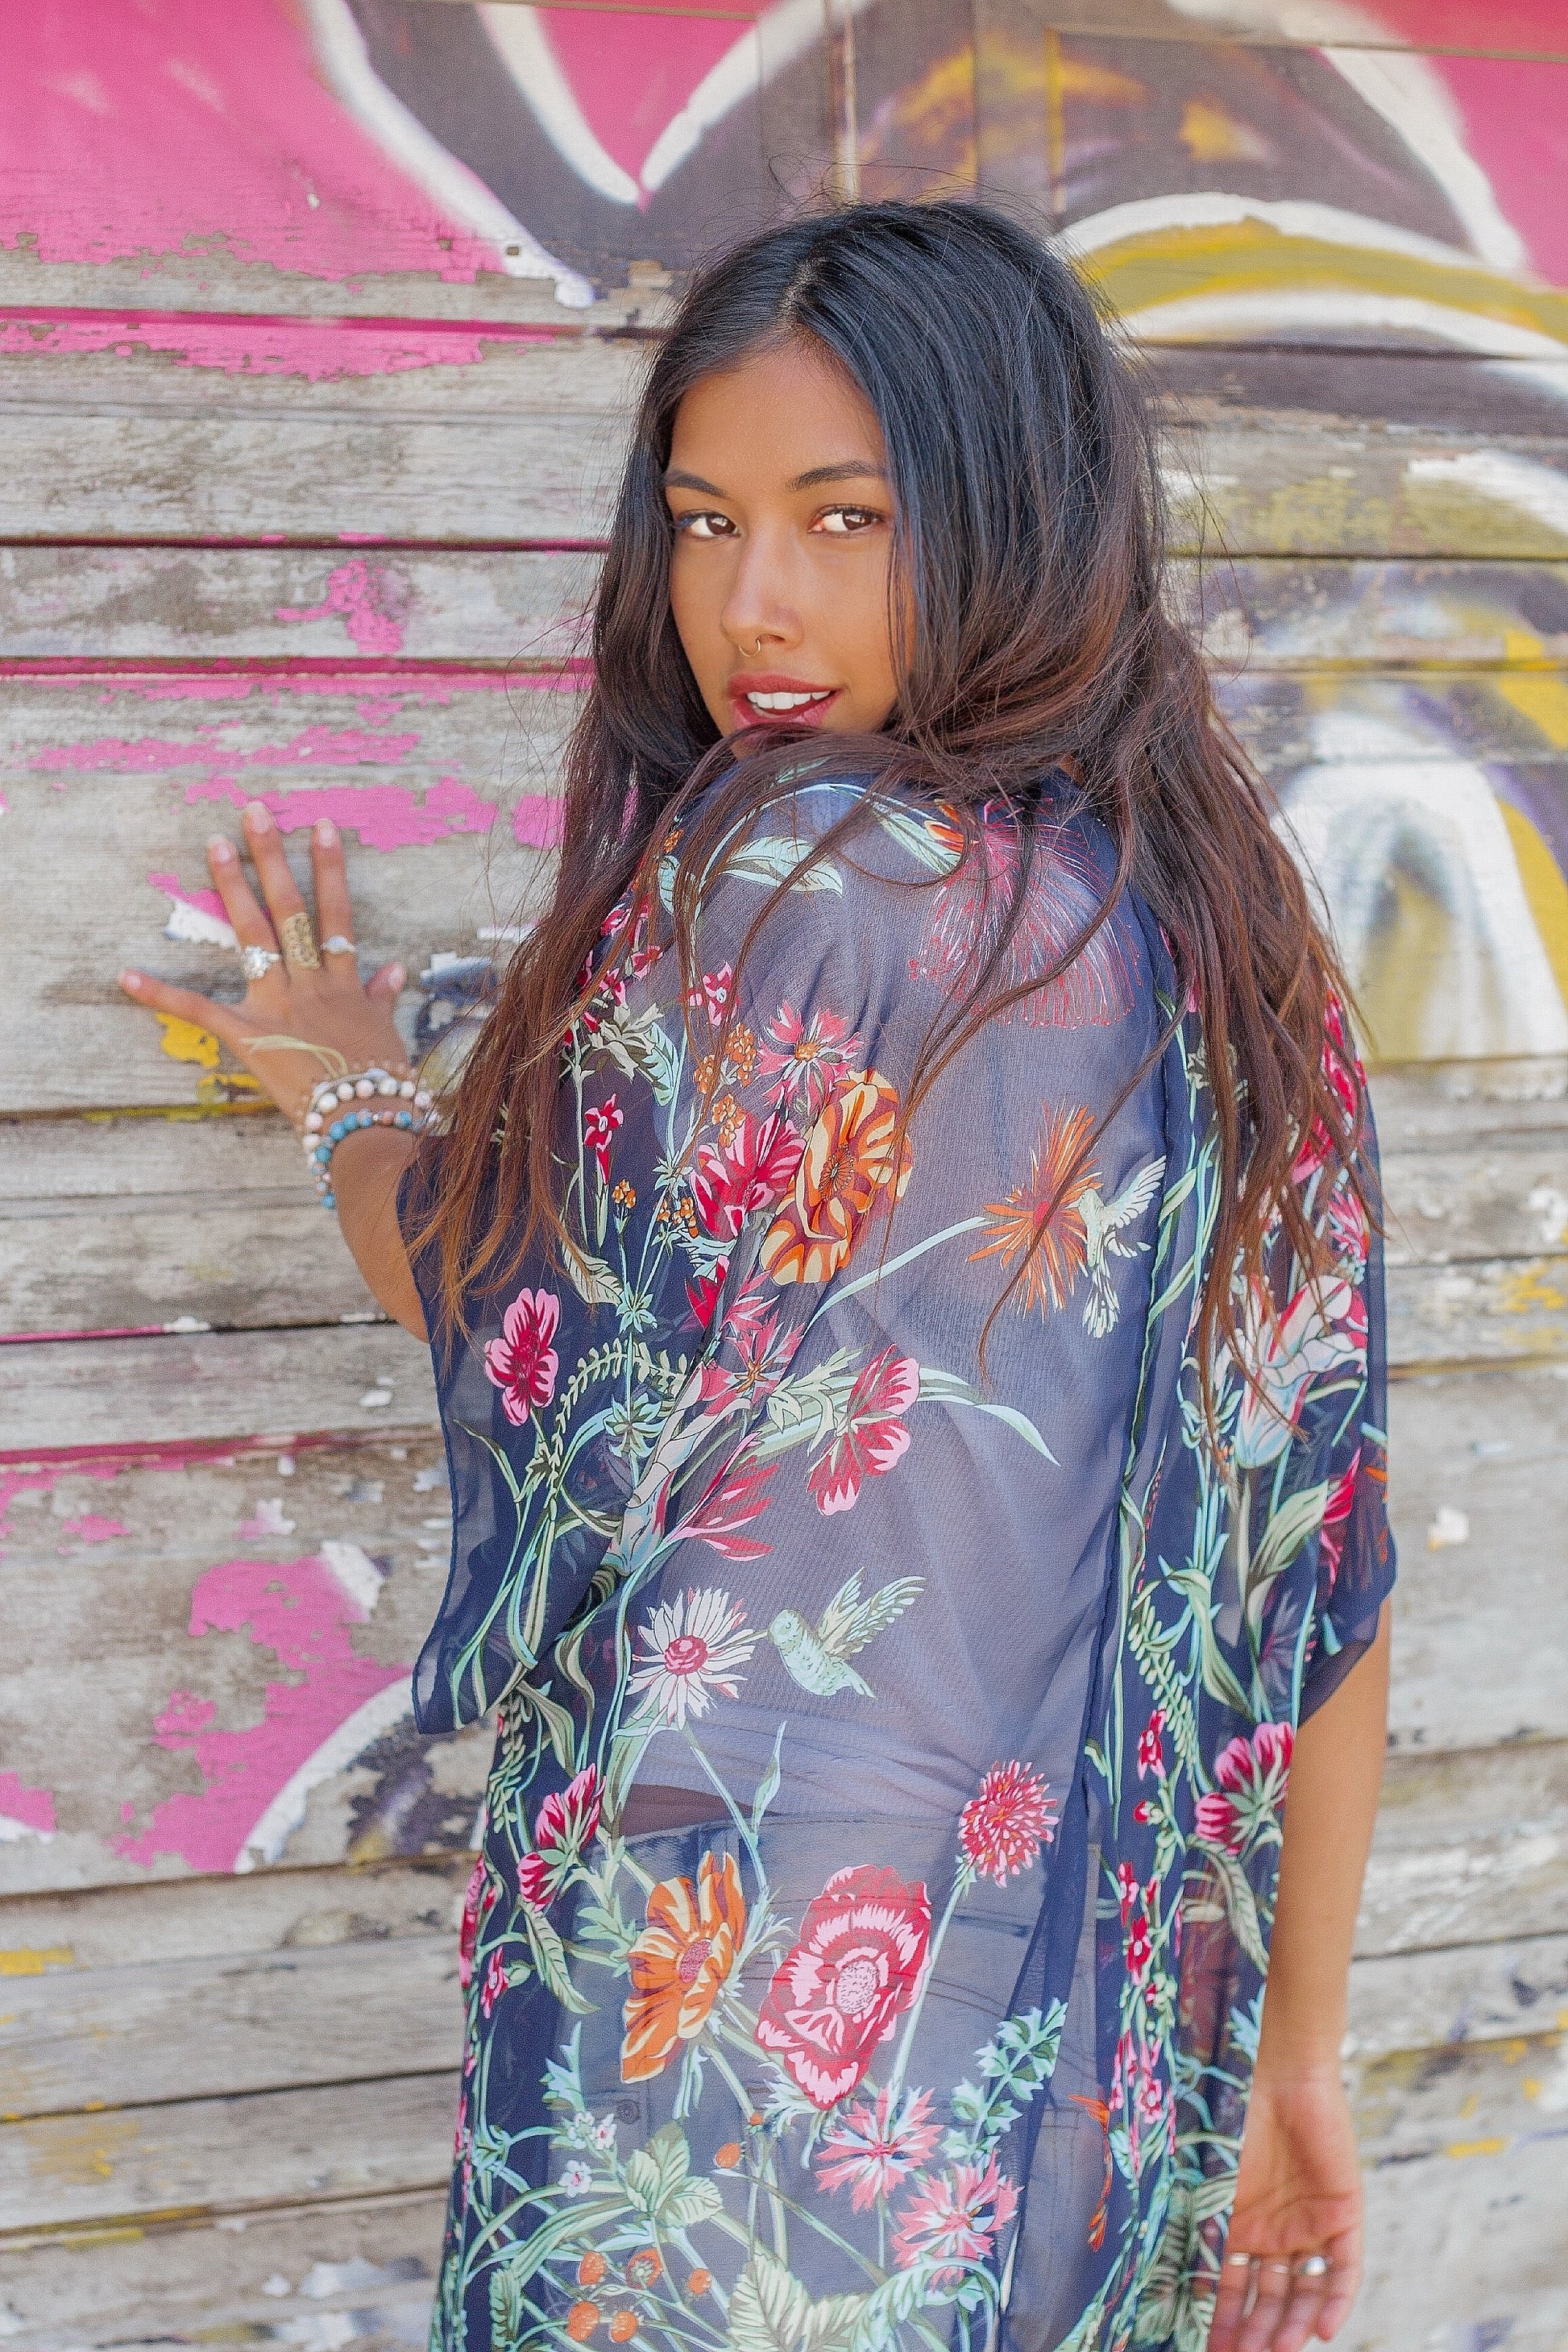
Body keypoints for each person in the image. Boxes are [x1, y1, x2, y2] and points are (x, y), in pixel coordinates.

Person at [122, 201, 1394, 2352]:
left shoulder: (795, 867)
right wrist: (1298, 2063)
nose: (752, 604)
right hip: (1077, 2082)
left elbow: (521, 1316)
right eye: (705, 522)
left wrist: (347, 1083)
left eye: (843, 518)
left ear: (1010, 515)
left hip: (721, 2077)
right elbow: (1325, 1560)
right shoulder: (1229, 947)